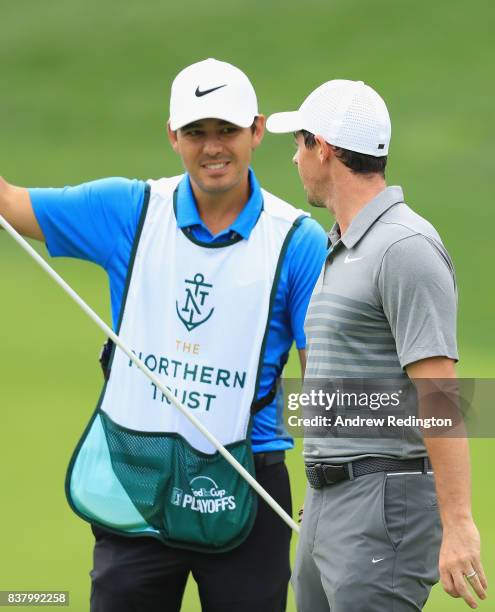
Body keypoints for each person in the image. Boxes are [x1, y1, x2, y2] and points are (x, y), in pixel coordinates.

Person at [0, 58, 327, 612]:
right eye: (196, 132)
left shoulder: (297, 240)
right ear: (173, 136)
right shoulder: (129, 210)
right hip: (139, 485)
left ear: (256, 130)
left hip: (249, 483)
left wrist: (327, 493)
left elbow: (317, 376)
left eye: (226, 130)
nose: (212, 147)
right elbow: (10, 205)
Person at [267, 80, 488, 610]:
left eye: (299, 143)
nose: (293, 158)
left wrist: (458, 524)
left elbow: (438, 392)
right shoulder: (338, 247)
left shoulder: (403, 248)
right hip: (327, 503)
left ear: (323, 147)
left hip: (382, 508)